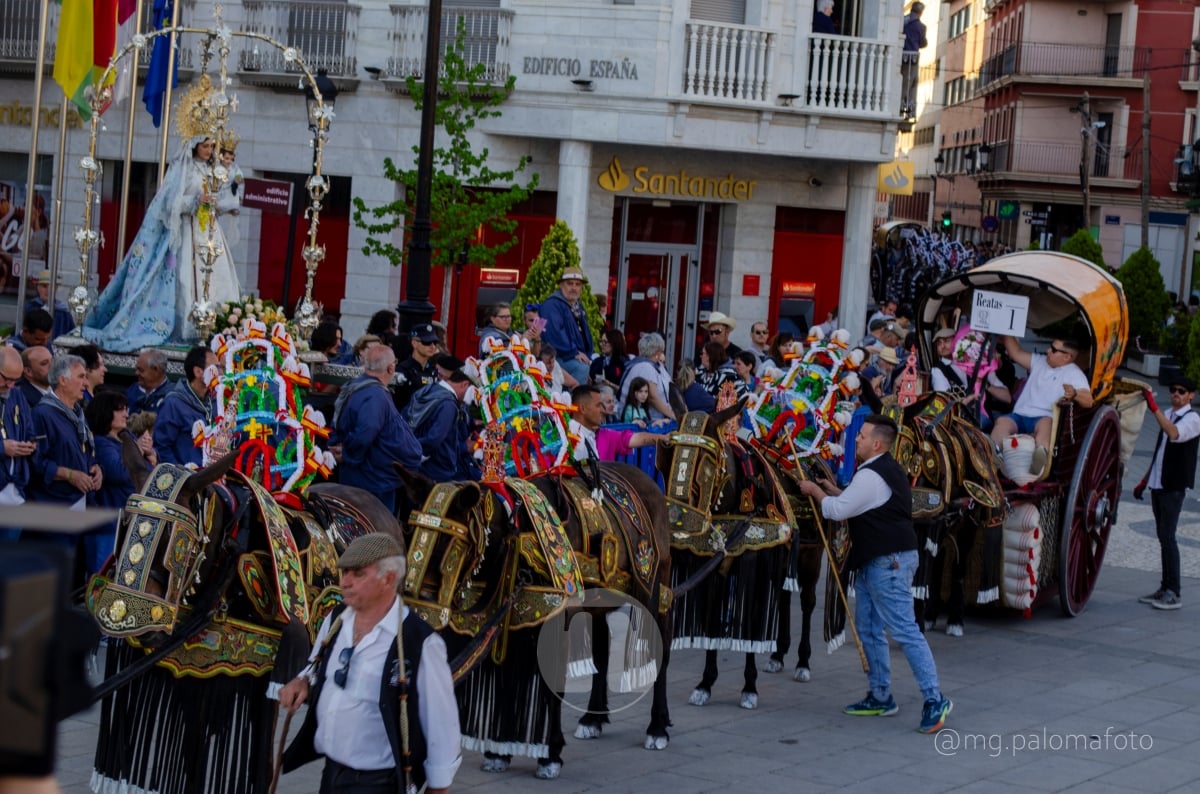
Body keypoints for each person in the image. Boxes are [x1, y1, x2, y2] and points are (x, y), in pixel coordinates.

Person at [798, 414, 952, 733]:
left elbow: (838, 511)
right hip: (878, 560)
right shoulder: (876, 471)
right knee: (869, 628)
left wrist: (814, 490)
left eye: (862, 436)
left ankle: (934, 698)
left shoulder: (872, 475)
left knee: (905, 630)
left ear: (877, 443)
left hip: (889, 562)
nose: (857, 439)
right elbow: (855, 504)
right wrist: (834, 489)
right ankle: (881, 695)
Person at [280, 533, 461, 794]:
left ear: (388, 579)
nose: (345, 582)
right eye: (344, 573)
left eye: (358, 574)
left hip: (376, 784)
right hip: (330, 775)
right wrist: (302, 680)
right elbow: (316, 663)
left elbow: (441, 725)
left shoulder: (419, 642)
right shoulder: (336, 619)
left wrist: (439, 787)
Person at [83, 128, 241, 351]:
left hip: (208, 231)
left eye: (212, 146)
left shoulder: (213, 170)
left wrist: (228, 204)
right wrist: (196, 201)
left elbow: (220, 198)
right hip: (187, 231)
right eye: (205, 146)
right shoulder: (183, 168)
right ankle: (187, 329)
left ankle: (218, 326)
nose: (209, 150)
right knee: (186, 279)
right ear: (194, 145)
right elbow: (170, 203)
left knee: (217, 279)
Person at [330, 344, 422, 514]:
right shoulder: (375, 396)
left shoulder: (357, 386)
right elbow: (366, 432)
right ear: (391, 367)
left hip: (368, 477)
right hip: (371, 482)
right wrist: (349, 455)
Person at [1133, 378, 1199, 611]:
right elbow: (1159, 452)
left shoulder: (1193, 419)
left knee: (1168, 537)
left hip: (1174, 487)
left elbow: (1173, 434)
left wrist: (1154, 408)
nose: (1176, 394)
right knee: (1163, 537)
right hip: (1158, 484)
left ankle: (1174, 592)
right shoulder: (1169, 413)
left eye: (1182, 391)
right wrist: (1144, 480)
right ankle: (1165, 587)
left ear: (1191, 395)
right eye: (1172, 390)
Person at [990, 336, 1092, 477]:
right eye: (1050, 346)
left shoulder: (1074, 374)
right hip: (1020, 415)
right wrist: (1007, 333)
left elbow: (1088, 400)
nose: (1048, 351)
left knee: (1046, 424)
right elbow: (1015, 353)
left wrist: (1074, 393)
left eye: (1054, 350)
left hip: (1043, 418)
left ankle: (1037, 466)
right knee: (1002, 422)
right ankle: (991, 461)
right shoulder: (1040, 361)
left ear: (1067, 357)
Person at [86, 391, 156, 576]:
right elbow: (119, 473)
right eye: (120, 410)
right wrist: (139, 451)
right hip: (108, 524)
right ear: (106, 412)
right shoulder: (100, 443)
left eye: (126, 409)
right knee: (101, 577)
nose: (126, 414)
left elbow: (147, 473)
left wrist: (151, 456)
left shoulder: (128, 438)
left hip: (128, 522)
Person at [30, 354, 101, 514]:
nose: (86, 383)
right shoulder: (42, 414)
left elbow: (84, 452)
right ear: (62, 380)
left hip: (80, 503)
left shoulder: (78, 414)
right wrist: (70, 475)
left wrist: (96, 467)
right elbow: (34, 461)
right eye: (81, 377)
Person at [154, 345, 216, 467]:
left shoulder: (215, 401)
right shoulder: (174, 403)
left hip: (213, 478)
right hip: (188, 480)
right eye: (215, 367)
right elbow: (161, 446)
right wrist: (180, 475)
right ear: (198, 372)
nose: (219, 372)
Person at [570, 384, 659, 462]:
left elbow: (638, 438)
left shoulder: (606, 435)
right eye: (598, 405)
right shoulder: (562, 439)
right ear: (583, 409)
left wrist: (665, 439)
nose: (601, 409)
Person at [0, 347, 35, 540]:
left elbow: (28, 429)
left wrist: (30, 444)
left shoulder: (17, 395)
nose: (10, 385)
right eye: (6, 378)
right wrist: (3, 448)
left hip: (15, 495)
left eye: (15, 380)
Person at [539, 271, 595, 386]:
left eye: (577, 284)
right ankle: (571, 401)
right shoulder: (552, 305)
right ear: (561, 285)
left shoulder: (577, 305)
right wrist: (572, 352)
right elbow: (554, 334)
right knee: (581, 368)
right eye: (570, 283)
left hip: (571, 354)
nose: (574, 288)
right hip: (555, 356)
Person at [618, 333, 675, 423]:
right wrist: (672, 415)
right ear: (657, 352)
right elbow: (652, 397)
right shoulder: (645, 367)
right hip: (646, 421)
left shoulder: (656, 365)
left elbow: (671, 385)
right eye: (661, 351)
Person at [393, 323, 440, 414]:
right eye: (426, 342)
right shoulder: (402, 370)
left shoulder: (434, 370)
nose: (432, 346)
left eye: (434, 342)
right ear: (414, 343)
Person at [24, 269, 76, 341]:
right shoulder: (31, 307)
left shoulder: (63, 312)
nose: (48, 290)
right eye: (44, 286)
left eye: (52, 286)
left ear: (57, 288)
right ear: (38, 287)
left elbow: (71, 334)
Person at [901, 2, 927, 118]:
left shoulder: (903, 21)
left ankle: (903, 105)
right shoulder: (920, 27)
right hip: (913, 58)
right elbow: (922, 43)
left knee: (904, 82)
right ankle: (905, 106)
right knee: (911, 82)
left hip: (901, 56)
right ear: (920, 13)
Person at [126, 349, 172, 415]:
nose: (136, 373)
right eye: (136, 369)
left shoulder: (172, 397)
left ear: (156, 370)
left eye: (141, 370)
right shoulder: (132, 390)